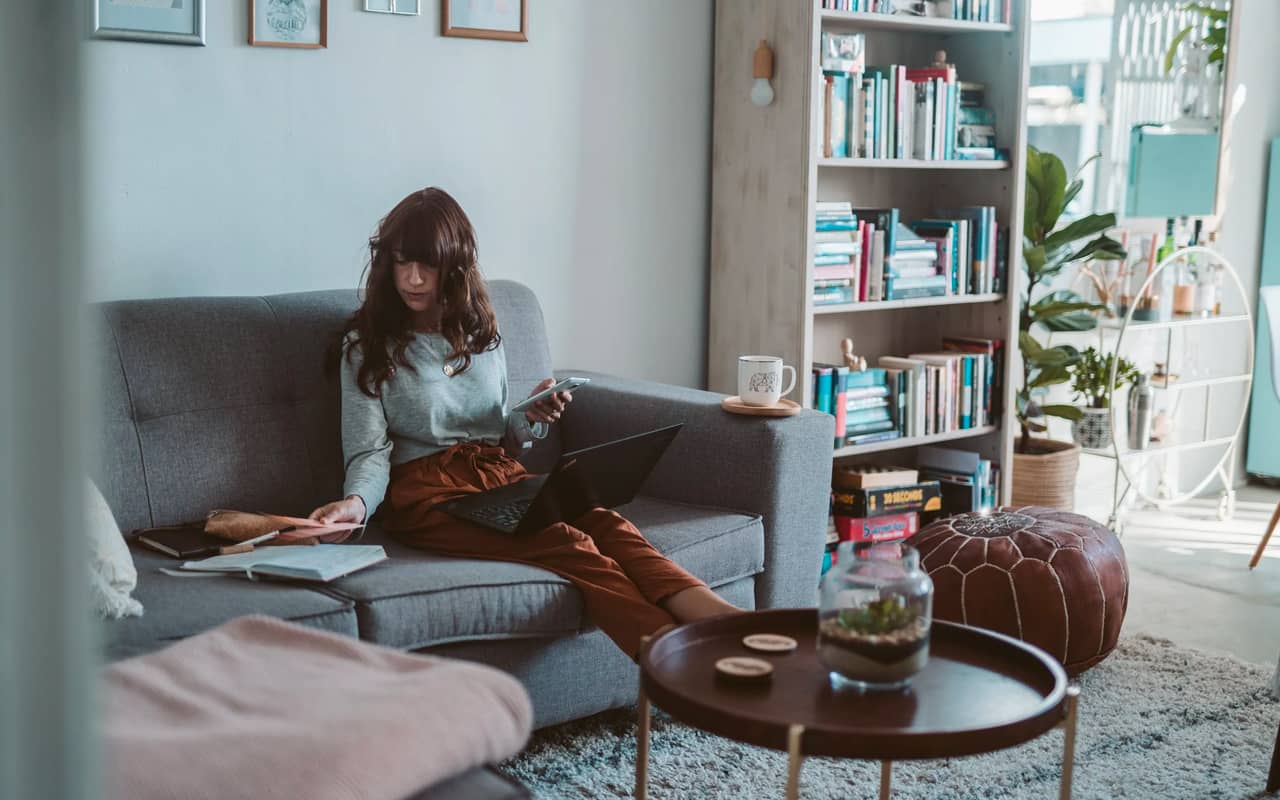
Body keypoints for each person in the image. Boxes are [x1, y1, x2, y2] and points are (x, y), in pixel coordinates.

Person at [308, 187, 739, 658]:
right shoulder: (367, 347)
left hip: (497, 476)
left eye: (426, 265)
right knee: (566, 542)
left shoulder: (480, 335)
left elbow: (495, 432)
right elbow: (370, 452)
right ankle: (675, 658)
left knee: (603, 521)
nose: (411, 279)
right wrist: (355, 504)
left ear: (453, 265)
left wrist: (529, 416)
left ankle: (720, 619)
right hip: (427, 495)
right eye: (400, 262)